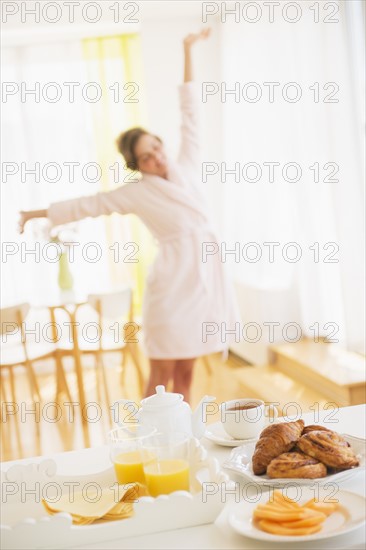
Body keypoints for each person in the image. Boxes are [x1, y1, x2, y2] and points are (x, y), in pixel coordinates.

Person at [19, 29, 239, 402]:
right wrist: (33, 213)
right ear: (137, 165)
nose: (156, 157)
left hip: (201, 283)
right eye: (146, 157)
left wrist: (187, 49)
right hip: (171, 289)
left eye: (156, 147)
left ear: (161, 143)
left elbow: (190, 110)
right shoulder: (136, 193)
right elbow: (88, 204)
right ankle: (148, 442)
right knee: (160, 376)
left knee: (186, 373)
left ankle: (180, 445)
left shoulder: (186, 165)